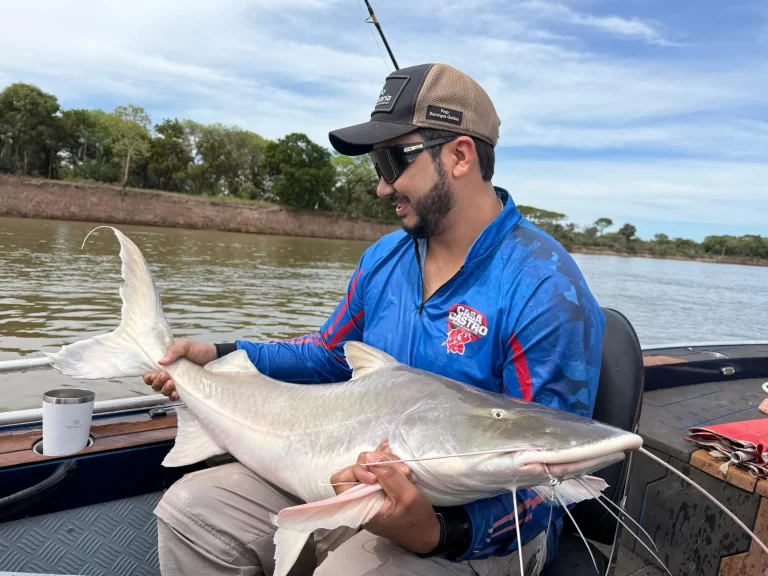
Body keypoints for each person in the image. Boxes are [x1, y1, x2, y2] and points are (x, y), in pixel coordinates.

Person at [145, 63, 605, 576]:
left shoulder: (545, 288)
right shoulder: (384, 258)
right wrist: (221, 353)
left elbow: (550, 473)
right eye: (376, 166)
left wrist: (437, 530)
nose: (383, 187)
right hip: (355, 478)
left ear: (459, 155)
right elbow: (327, 355)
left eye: (392, 160)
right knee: (193, 512)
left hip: (487, 529)